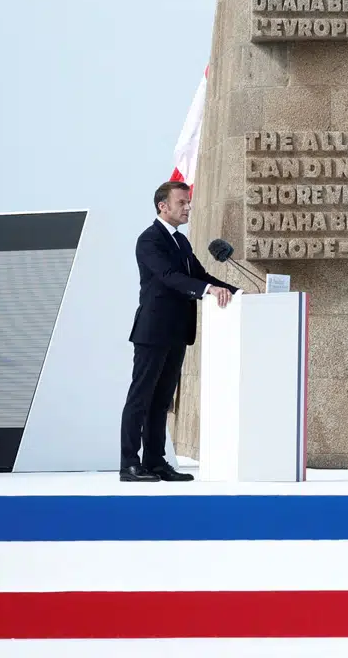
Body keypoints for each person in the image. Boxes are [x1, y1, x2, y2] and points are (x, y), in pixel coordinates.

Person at [120, 181, 237, 482]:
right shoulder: (149, 241)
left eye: (188, 202)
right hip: (152, 330)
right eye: (182, 202)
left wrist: (238, 292)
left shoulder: (181, 242)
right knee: (141, 397)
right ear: (164, 206)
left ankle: (156, 462)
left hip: (176, 332)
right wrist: (208, 289)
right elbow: (170, 277)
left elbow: (199, 275)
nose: (188, 207)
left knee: (161, 401)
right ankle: (129, 464)